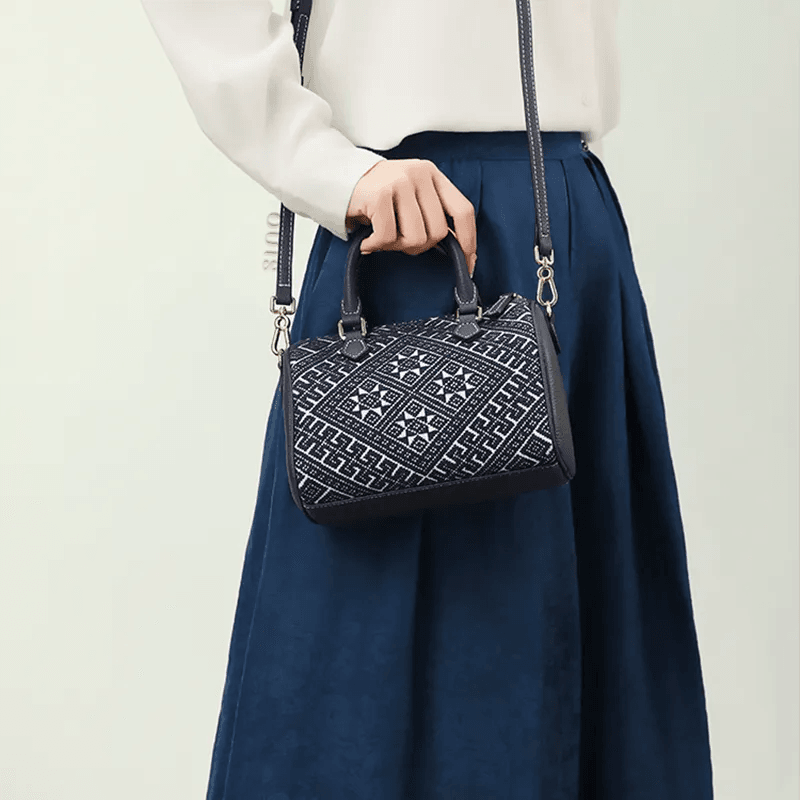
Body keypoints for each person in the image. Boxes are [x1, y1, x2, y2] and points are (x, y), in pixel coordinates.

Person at [139, 1, 715, 798]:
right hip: (405, 230)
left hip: (562, 212)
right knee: (361, 682)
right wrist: (327, 165)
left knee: (579, 673)